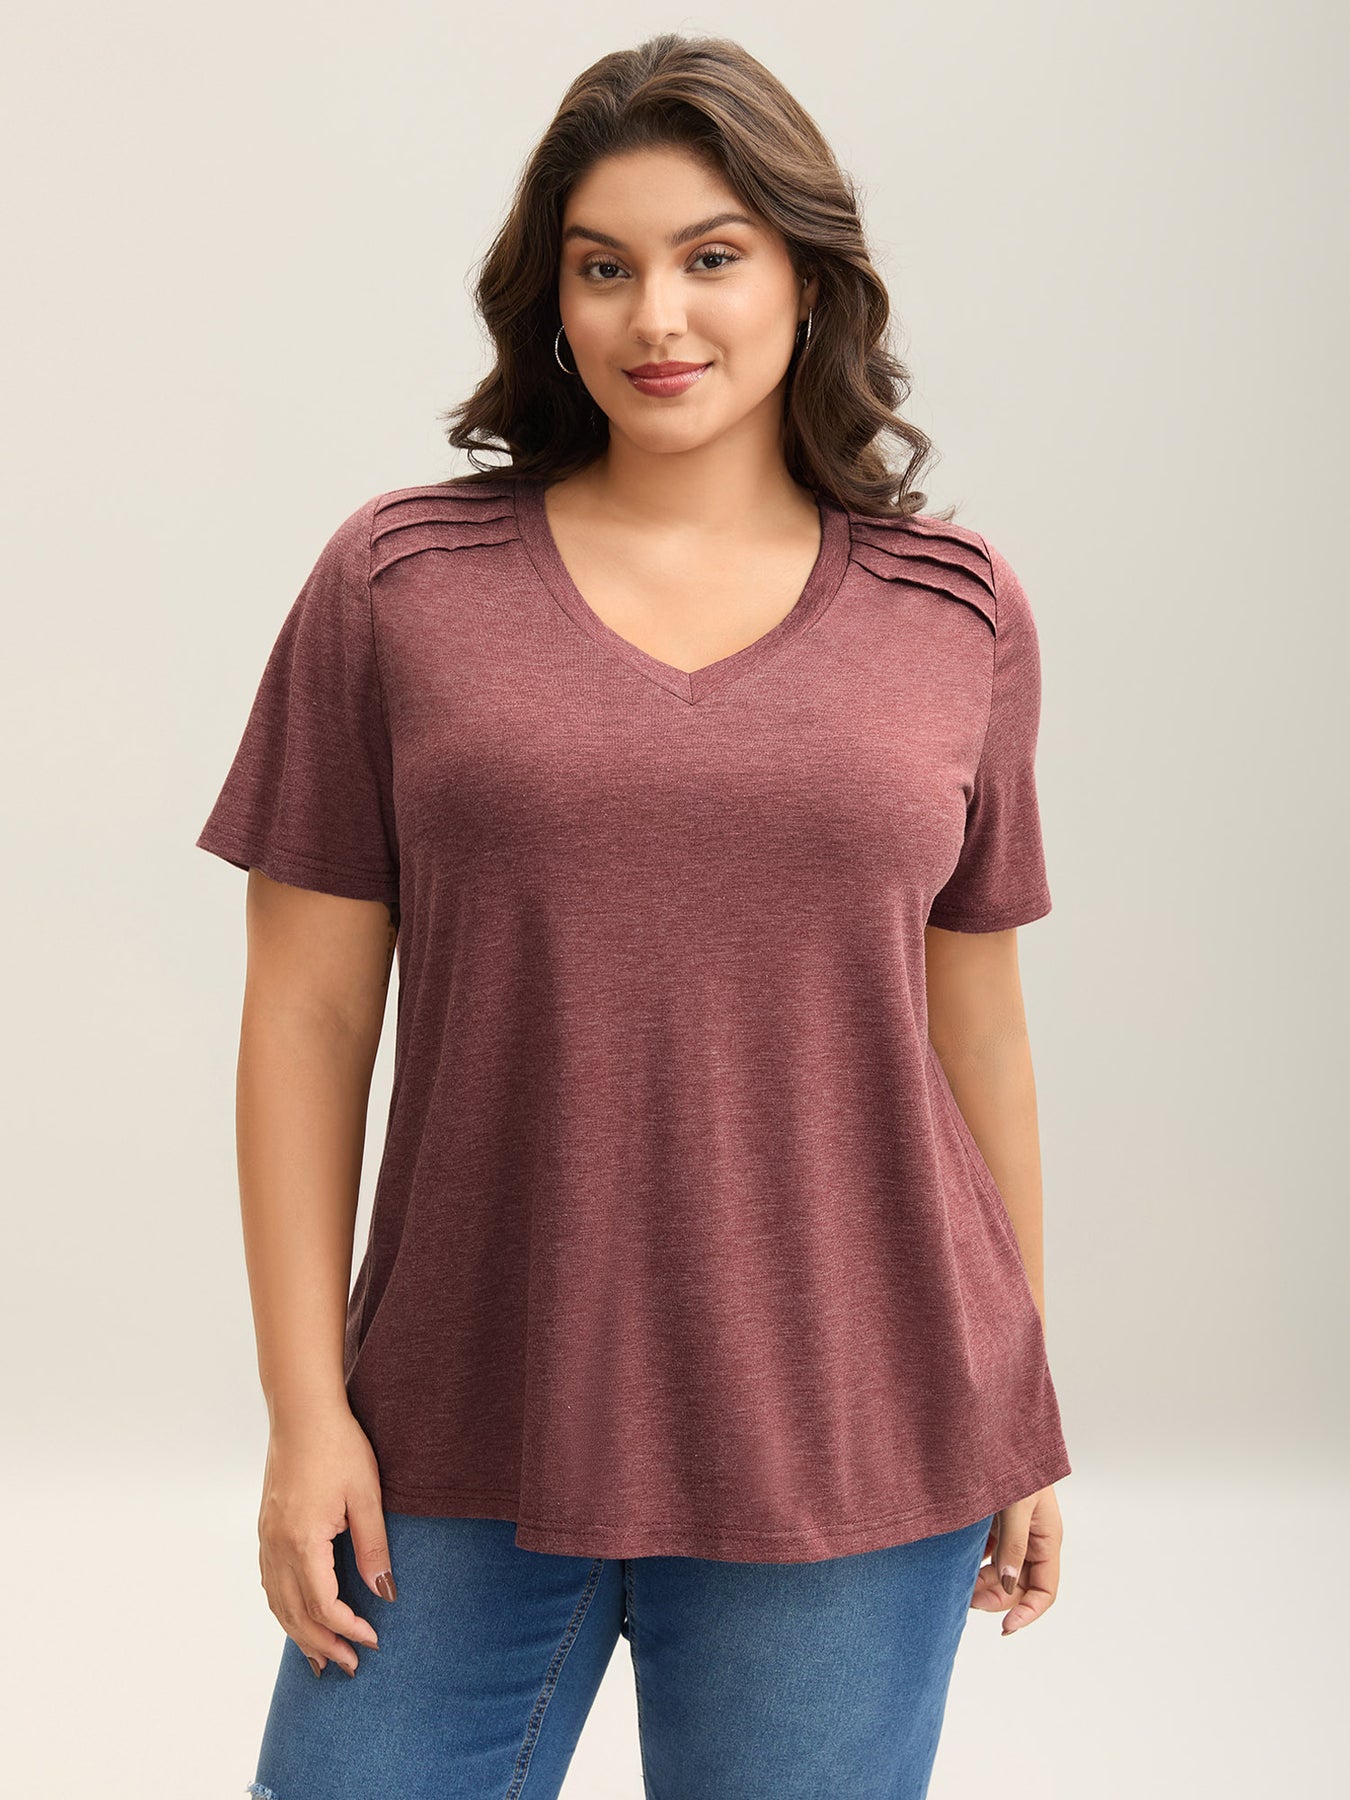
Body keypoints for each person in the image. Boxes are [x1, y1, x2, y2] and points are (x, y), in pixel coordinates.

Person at [199, 31, 1073, 1800]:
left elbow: (973, 1025)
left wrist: (1017, 1400)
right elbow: (305, 1015)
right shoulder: (400, 583)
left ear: (807, 281)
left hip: (855, 1423)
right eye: (602, 267)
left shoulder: (953, 608)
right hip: (461, 1414)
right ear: (551, 301)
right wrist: (306, 1413)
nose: (655, 317)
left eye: (710, 256)